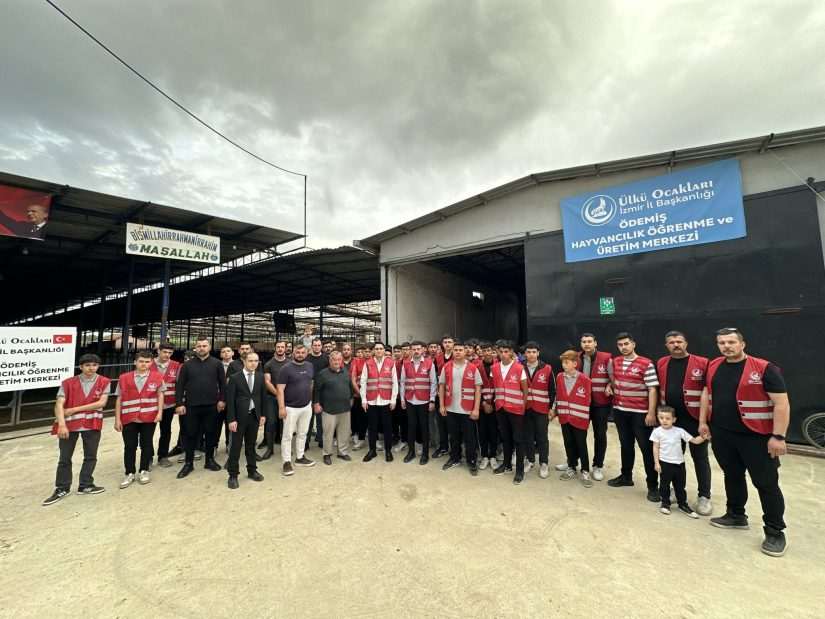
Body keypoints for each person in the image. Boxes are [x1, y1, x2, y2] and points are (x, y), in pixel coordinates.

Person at [699, 327, 790, 557]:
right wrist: (703, 422)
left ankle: (775, 531)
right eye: (721, 343)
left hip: (757, 437)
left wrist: (778, 436)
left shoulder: (764, 368)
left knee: (766, 484)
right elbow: (706, 393)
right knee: (732, 475)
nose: (726, 346)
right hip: (723, 434)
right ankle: (736, 515)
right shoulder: (714, 365)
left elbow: (782, 404)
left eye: (731, 342)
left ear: (742, 344)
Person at [656, 331, 712, 516]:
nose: (676, 344)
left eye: (679, 341)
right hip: (671, 421)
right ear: (667, 346)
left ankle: (704, 496)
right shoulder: (662, 363)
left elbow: (707, 392)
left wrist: (704, 421)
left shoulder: (702, 363)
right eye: (671, 342)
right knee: (672, 458)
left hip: (695, 420)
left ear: (686, 343)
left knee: (700, 458)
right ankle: (674, 490)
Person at [43, 354, 111, 506]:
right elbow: (59, 404)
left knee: (90, 456)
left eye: (94, 365)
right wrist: (61, 424)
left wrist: (73, 409)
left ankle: (85, 484)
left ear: (98, 366)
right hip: (69, 425)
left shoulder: (104, 382)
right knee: (64, 458)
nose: (91, 368)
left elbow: (101, 403)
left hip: (91, 423)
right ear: (80, 367)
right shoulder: (68, 383)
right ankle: (62, 487)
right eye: (87, 365)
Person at [606, 332, 660, 502]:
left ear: (633, 344)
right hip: (620, 411)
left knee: (646, 449)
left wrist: (651, 412)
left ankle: (653, 486)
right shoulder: (616, 362)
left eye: (626, 344)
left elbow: (652, 389)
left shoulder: (646, 363)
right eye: (620, 345)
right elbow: (614, 380)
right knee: (625, 445)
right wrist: (609, 386)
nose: (624, 347)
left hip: (640, 413)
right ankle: (626, 477)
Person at [174, 337, 226, 479]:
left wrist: (222, 400)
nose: (201, 348)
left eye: (204, 345)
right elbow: (179, 386)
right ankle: (188, 463)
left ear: (209, 347)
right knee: (190, 434)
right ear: (195, 348)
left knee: (210, 433)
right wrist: (179, 404)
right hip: (191, 406)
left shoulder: (217, 364)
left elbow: (223, 384)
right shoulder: (187, 365)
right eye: (199, 346)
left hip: (211, 406)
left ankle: (209, 460)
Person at [114, 351, 165, 488]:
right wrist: (117, 419)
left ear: (151, 363)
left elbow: (160, 395)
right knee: (129, 446)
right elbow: (119, 398)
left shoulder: (157, 377)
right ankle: (129, 472)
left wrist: (160, 413)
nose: (144, 364)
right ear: (135, 362)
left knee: (146, 445)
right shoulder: (124, 378)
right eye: (141, 361)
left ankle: (144, 470)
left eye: (147, 362)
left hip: (149, 417)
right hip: (129, 418)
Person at [651, 406, 706, 517]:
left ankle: (683, 505)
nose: (664, 421)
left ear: (674, 419)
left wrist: (704, 437)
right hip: (665, 463)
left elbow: (694, 441)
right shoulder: (657, 432)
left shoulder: (679, 431)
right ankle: (665, 503)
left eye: (667, 418)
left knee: (680, 486)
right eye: (661, 418)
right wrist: (656, 463)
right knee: (664, 485)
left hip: (679, 464)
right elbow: (655, 447)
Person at [438, 341, 482, 475]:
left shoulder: (473, 368)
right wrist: (441, 405)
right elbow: (441, 386)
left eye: (460, 350)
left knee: (470, 438)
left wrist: (476, 409)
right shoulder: (446, 367)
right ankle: (455, 458)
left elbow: (478, 389)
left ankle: (471, 460)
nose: (457, 352)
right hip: (451, 408)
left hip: (467, 409)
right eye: (455, 350)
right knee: (454, 436)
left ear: (465, 352)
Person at [573, 333, 613, 481]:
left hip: (600, 404)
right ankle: (573, 462)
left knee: (600, 435)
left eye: (590, 341)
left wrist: (609, 385)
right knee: (578, 434)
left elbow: (613, 378)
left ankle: (598, 466)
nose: (587, 344)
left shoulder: (606, 358)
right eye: (584, 342)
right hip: (580, 403)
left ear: (595, 343)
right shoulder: (575, 357)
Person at [225, 352, 267, 489]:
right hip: (238, 418)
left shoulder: (260, 377)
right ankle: (233, 475)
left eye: (256, 361)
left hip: (254, 417)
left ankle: (252, 470)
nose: (253, 363)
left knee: (251, 445)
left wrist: (262, 415)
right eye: (250, 361)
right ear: (244, 361)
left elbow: (263, 397)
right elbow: (230, 401)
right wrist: (231, 419)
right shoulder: (235, 378)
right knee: (235, 447)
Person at [553, 350, 593, 487]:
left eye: (566, 362)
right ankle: (571, 467)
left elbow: (588, 400)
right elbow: (557, 395)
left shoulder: (585, 380)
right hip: (565, 417)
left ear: (575, 364)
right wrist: (555, 410)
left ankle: (585, 470)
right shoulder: (559, 377)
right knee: (568, 443)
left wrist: (583, 416)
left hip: (579, 419)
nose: (563, 365)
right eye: (563, 362)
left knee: (581, 445)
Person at [492, 340, 529, 484]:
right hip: (501, 408)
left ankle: (519, 471)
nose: (503, 354)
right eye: (500, 352)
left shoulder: (519, 368)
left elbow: (525, 390)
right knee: (505, 438)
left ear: (512, 353)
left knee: (518, 440)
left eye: (506, 351)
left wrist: (523, 406)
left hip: (516, 409)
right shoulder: (494, 368)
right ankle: (506, 465)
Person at [277, 343, 316, 476]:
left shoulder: (310, 366)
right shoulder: (286, 368)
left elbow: (311, 383)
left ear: (306, 353)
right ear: (293, 353)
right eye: (297, 352)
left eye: (302, 352)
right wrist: (282, 407)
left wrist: (310, 401)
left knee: (302, 433)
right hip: (290, 408)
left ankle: (300, 457)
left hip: (306, 406)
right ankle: (286, 462)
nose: (300, 355)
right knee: (287, 436)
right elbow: (280, 389)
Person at [359, 342, 398, 463]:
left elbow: (394, 382)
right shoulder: (368, 363)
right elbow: (363, 382)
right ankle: (372, 451)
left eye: (381, 348)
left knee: (387, 427)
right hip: (372, 400)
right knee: (372, 428)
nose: (379, 350)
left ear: (383, 350)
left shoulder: (391, 363)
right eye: (377, 349)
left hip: (386, 400)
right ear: (373, 351)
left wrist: (393, 399)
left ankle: (388, 450)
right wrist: (364, 399)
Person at [314, 351, 355, 465]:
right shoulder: (323, 374)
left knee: (344, 432)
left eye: (338, 359)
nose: (336, 362)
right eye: (334, 360)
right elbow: (316, 390)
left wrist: (351, 398)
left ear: (341, 360)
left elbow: (350, 387)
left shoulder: (345, 372)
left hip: (344, 409)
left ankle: (342, 452)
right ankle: (327, 454)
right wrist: (316, 403)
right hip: (329, 409)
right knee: (328, 433)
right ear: (330, 360)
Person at [400, 340, 437, 465]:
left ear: (423, 350)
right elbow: (402, 383)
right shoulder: (405, 364)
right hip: (410, 400)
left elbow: (433, 383)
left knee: (424, 428)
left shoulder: (429, 363)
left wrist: (432, 400)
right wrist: (402, 399)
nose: (416, 351)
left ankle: (425, 454)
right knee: (411, 427)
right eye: (414, 349)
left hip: (424, 401)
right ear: (411, 350)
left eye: (418, 349)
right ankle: (411, 452)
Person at [523, 341, 554, 478]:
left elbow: (553, 390)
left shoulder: (547, 368)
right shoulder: (519, 367)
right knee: (528, 436)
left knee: (542, 436)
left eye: (534, 352)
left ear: (538, 353)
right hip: (526, 408)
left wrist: (552, 409)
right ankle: (530, 460)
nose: (531, 354)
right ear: (525, 354)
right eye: (528, 352)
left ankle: (544, 462)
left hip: (542, 409)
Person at [152, 342, 181, 468]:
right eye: (164, 352)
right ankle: (147, 457)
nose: (167, 355)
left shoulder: (176, 365)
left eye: (170, 353)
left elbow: (180, 384)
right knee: (148, 433)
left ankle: (162, 456)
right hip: (150, 405)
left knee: (166, 431)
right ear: (158, 351)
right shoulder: (148, 363)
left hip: (169, 404)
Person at [260, 340, 289, 460]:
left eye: (282, 347)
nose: (280, 349)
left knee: (286, 424)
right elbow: (267, 381)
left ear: (285, 348)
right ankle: (270, 449)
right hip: (272, 397)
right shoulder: (269, 364)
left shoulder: (290, 363)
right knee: (271, 423)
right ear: (275, 348)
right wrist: (278, 394)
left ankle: (285, 449)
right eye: (278, 347)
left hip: (288, 398)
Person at [477, 341, 499, 471]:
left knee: (494, 431)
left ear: (492, 351)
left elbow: (502, 386)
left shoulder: (499, 366)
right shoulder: (476, 367)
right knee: (482, 431)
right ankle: (484, 455)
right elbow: (474, 388)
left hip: (496, 405)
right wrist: (483, 403)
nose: (486, 353)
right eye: (484, 350)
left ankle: (493, 456)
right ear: (481, 353)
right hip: (482, 406)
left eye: (489, 350)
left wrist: (492, 403)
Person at [432, 335, 455, 458]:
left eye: (449, 342)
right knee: (441, 423)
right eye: (445, 342)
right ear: (442, 344)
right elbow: (435, 375)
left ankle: (455, 449)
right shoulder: (438, 358)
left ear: (454, 343)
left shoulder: (457, 356)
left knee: (453, 423)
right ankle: (443, 447)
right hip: (440, 394)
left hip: (454, 395)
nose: (447, 344)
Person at [307, 337, 329, 448]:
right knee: (308, 418)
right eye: (314, 345)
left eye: (318, 345)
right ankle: (306, 442)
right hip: (308, 391)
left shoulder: (326, 359)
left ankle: (321, 440)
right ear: (312, 346)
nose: (316, 347)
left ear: (321, 346)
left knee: (321, 418)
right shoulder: (307, 359)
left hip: (322, 392)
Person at [350, 344, 368, 449]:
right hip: (358, 395)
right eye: (361, 352)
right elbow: (353, 379)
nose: (363, 354)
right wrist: (361, 394)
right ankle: (360, 438)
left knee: (371, 418)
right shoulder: (356, 362)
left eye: (366, 351)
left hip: (372, 396)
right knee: (360, 417)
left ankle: (375, 439)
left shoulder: (372, 362)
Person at [391, 344, 408, 453]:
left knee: (403, 420)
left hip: (404, 396)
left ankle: (404, 440)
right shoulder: (393, 363)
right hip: (394, 397)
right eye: (395, 351)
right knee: (395, 419)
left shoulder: (406, 363)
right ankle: (397, 438)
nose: (397, 353)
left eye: (399, 351)